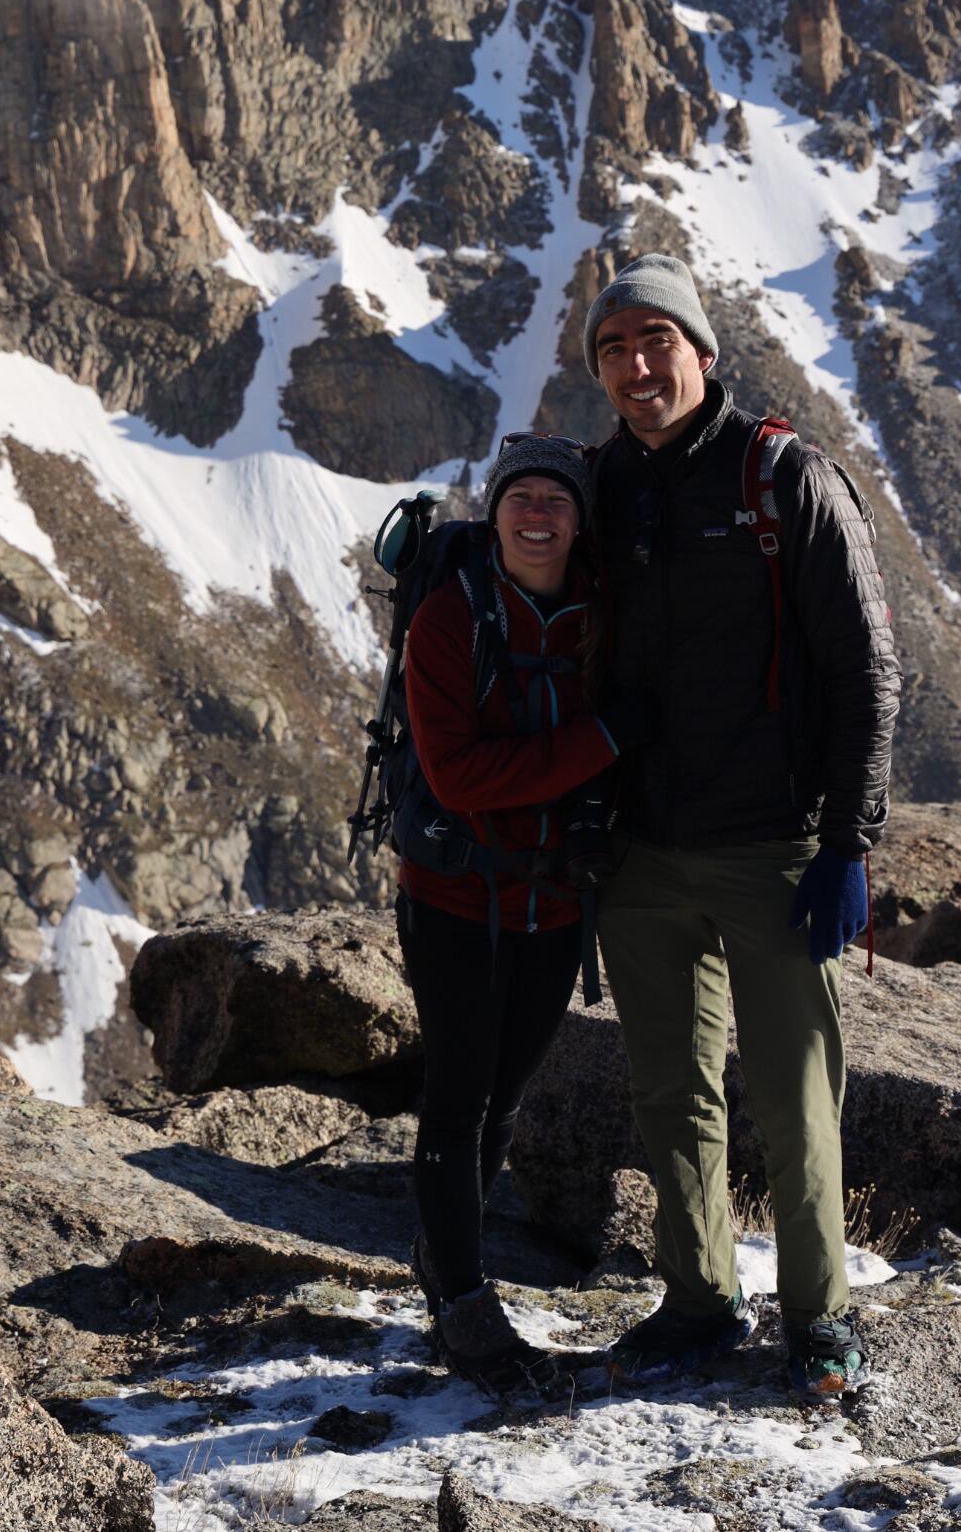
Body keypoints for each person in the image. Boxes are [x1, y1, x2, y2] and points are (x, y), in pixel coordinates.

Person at [584, 252, 899, 1399]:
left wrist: (848, 842)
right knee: (669, 1090)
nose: (634, 365)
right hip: (643, 854)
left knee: (794, 1093)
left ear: (700, 351)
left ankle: (817, 1317)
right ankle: (697, 1298)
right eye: (612, 349)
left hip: (775, 845)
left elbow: (865, 667)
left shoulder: (785, 477)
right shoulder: (596, 489)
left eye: (653, 340)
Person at [397, 431, 653, 1398]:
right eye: (520, 498)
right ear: (494, 510)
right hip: (457, 895)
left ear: (580, 521)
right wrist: (598, 741)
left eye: (556, 500)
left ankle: (444, 1256)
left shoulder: (603, 617)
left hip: (555, 902)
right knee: (459, 1095)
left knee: (506, 1096)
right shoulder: (447, 622)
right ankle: (462, 1301)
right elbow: (458, 776)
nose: (537, 515)